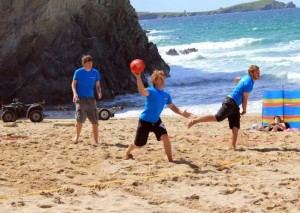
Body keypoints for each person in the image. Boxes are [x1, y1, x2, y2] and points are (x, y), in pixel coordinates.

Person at [188, 65, 261, 150]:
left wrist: (238, 83)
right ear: (251, 72)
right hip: (230, 102)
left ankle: (233, 146)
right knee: (218, 117)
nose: (259, 74)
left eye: (259, 72)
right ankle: (195, 121)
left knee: (235, 126)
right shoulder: (249, 83)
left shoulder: (246, 77)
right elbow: (245, 99)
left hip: (235, 104)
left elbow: (237, 78)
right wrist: (244, 110)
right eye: (256, 72)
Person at [125, 70, 192, 162]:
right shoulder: (150, 91)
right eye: (160, 78)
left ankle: (171, 160)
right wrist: (138, 77)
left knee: (165, 137)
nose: (163, 80)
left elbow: (172, 107)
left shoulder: (166, 95)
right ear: (155, 81)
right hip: (145, 121)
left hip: (156, 121)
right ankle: (128, 150)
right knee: (139, 144)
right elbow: (142, 91)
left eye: (163, 78)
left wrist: (182, 113)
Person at [71, 55, 102, 144]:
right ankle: (76, 137)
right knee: (80, 120)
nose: (90, 63)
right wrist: (75, 93)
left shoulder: (95, 72)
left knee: (95, 120)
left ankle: (96, 141)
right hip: (80, 99)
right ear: (84, 63)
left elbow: (98, 85)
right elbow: (73, 84)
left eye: (91, 61)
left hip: (91, 99)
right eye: (88, 61)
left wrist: (99, 92)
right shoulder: (78, 72)